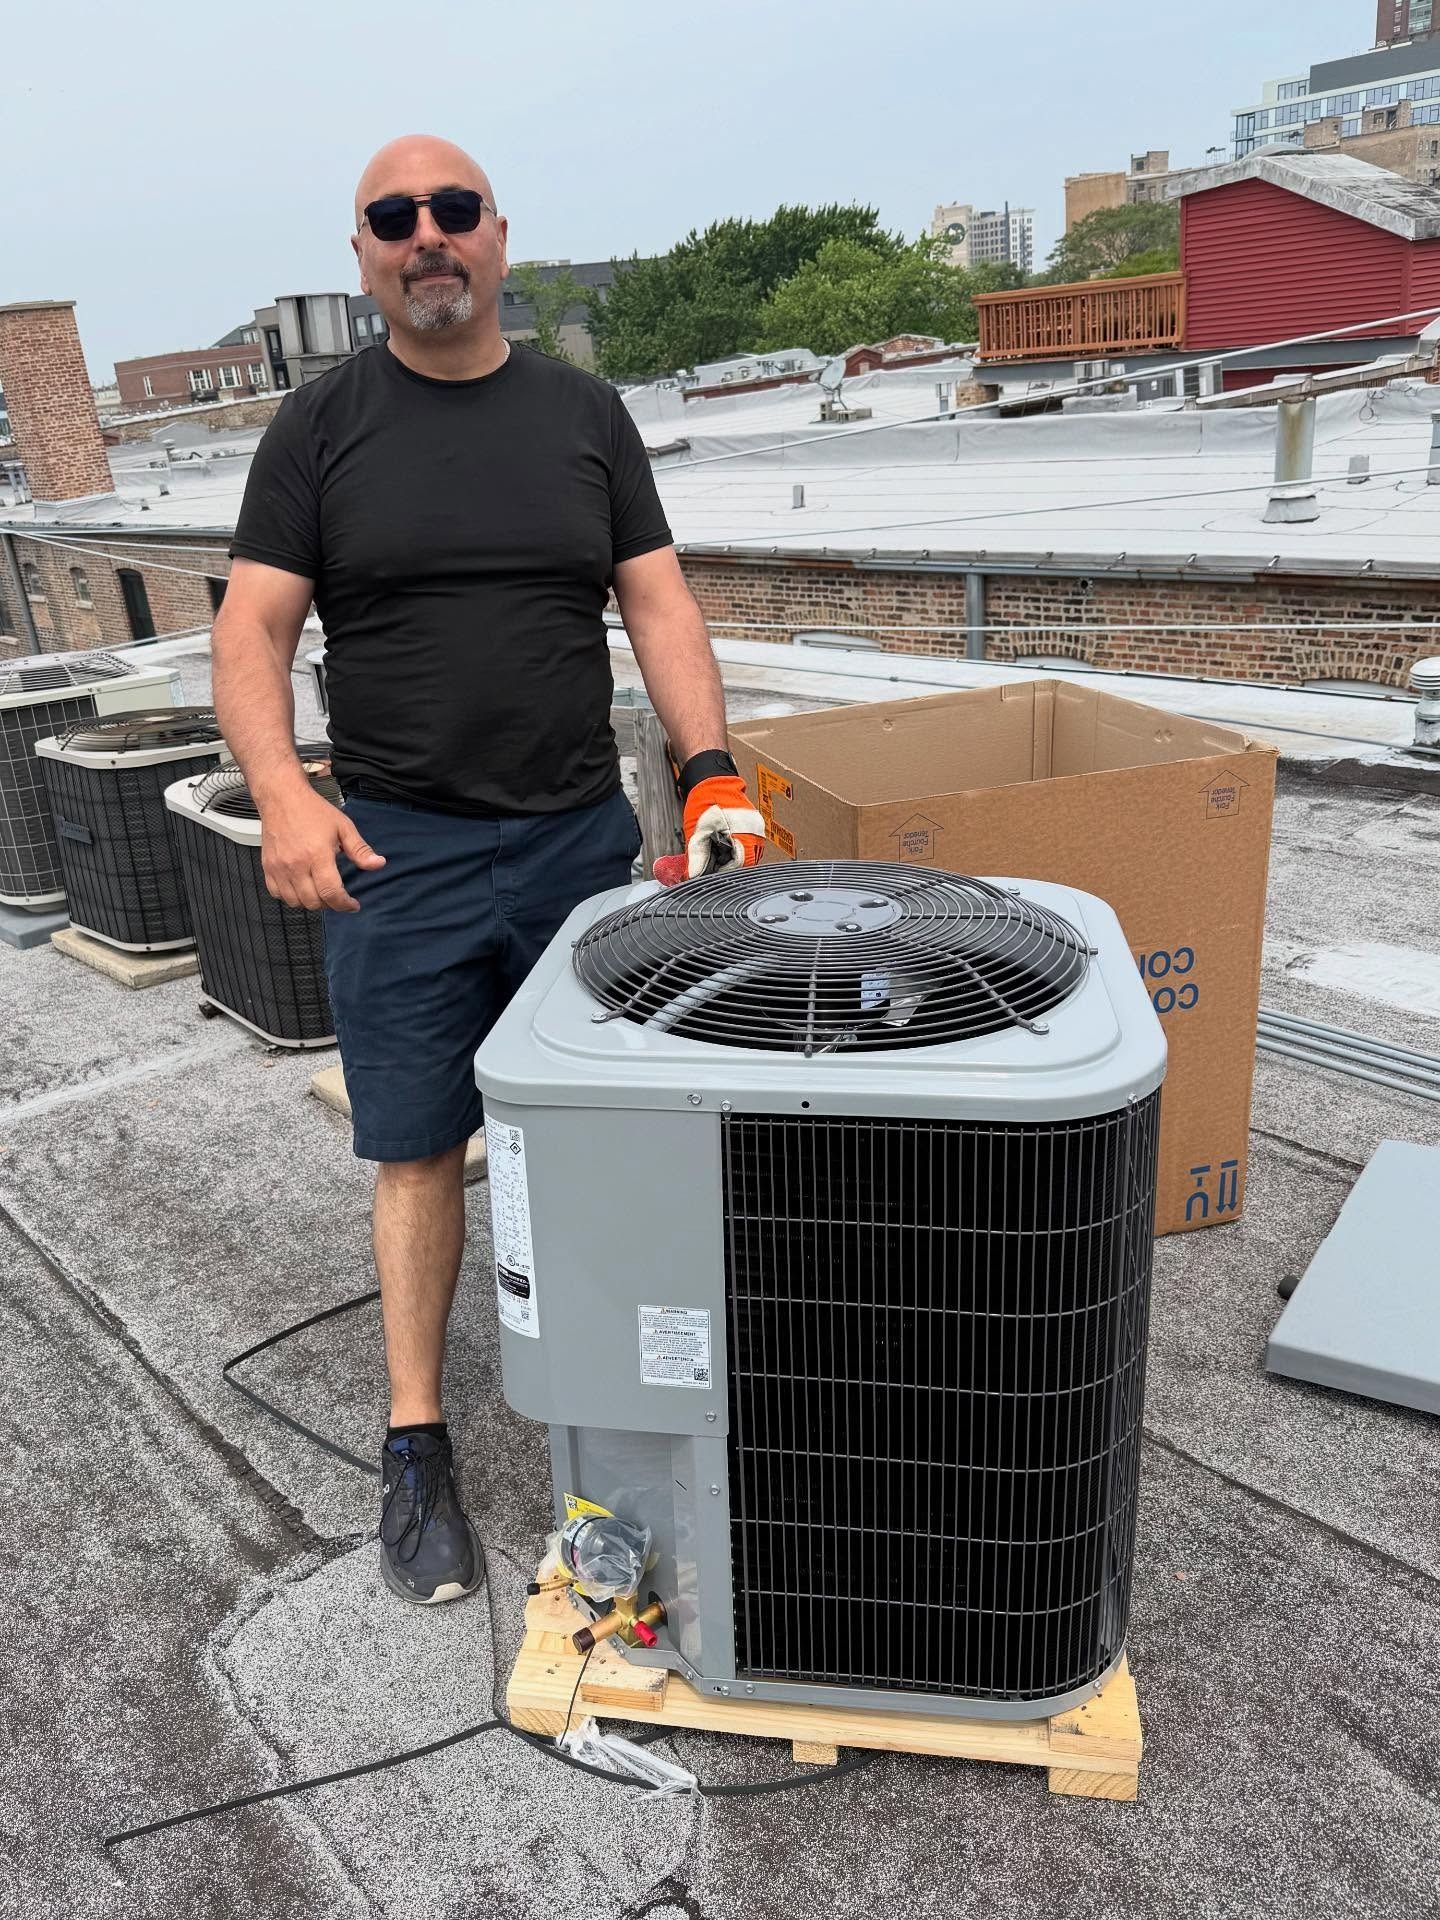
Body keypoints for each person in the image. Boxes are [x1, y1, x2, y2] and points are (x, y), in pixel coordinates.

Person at [212, 134, 764, 1606]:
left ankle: (625, 1418)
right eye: (394, 219)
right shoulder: (318, 431)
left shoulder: (584, 415)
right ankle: (416, 1445)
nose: (427, 235)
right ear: (364, 258)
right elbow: (252, 631)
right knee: (413, 1147)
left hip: (580, 837)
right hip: (403, 851)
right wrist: (282, 793)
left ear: (499, 238)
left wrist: (709, 767)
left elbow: (657, 599)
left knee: (601, 1132)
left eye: (453, 212)